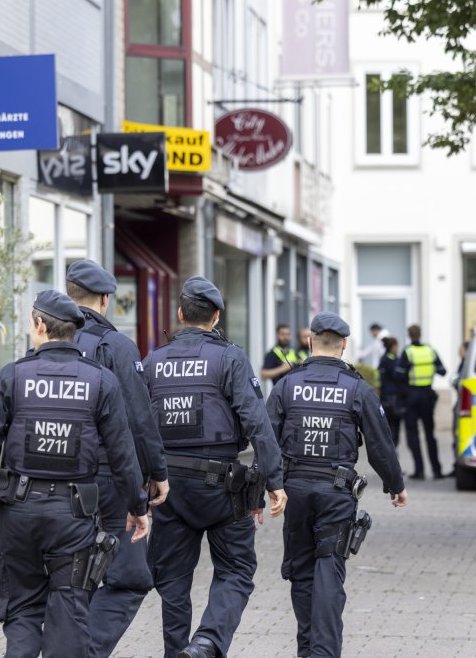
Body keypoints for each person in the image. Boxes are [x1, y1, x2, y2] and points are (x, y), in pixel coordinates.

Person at [0, 290, 149, 658]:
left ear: (38, 325)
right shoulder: (100, 381)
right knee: (69, 612)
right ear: (72, 332)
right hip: (74, 516)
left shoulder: (13, 376)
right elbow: (122, 452)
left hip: (18, 513)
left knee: (21, 609)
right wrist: (137, 506)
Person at [145, 276, 287, 658]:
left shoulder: (153, 361)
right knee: (237, 570)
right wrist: (274, 481)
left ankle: (179, 652)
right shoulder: (229, 357)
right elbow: (257, 421)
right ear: (217, 316)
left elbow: (137, 427)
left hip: (169, 486)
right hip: (222, 486)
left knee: (173, 580)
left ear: (179, 314)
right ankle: (207, 642)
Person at [266, 313, 407, 658]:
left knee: (301, 572)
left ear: (310, 341)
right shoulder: (357, 388)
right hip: (336, 493)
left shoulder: (287, 384)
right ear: (344, 345)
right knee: (328, 570)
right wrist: (395, 484)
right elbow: (379, 443)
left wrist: (267, 486)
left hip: (294, 490)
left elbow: (265, 437)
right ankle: (323, 652)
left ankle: (307, 649)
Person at [63, 259, 170, 658]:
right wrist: (156, 473)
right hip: (108, 481)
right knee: (128, 578)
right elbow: (140, 418)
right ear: (107, 299)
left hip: (52, 483)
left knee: (70, 578)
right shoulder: (118, 347)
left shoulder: (46, 345)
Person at [396, 324, 447, 480]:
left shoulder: (407, 352)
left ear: (409, 335)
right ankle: (437, 470)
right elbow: (442, 371)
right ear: (420, 334)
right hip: (427, 396)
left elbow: (399, 376)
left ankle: (419, 471)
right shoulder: (430, 351)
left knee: (413, 435)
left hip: (412, 396)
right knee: (430, 435)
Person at [377, 336, 406, 448]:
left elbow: (379, 378)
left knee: (388, 425)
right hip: (393, 397)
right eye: (396, 346)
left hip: (386, 397)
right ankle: (392, 448)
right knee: (395, 425)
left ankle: (391, 448)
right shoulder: (392, 360)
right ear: (392, 346)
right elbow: (398, 377)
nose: (397, 348)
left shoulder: (383, 359)